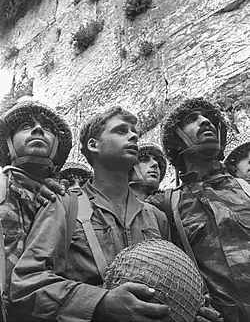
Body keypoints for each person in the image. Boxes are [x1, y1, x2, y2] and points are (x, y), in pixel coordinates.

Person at [10, 106, 220, 322]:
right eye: (121, 131)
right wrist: (101, 303)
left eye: (134, 133)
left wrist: (195, 310)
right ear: (93, 145)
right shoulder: (63, 204)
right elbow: (27, 283)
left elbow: (179, 277)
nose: (133, 136)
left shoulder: (157, 217)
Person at [147, 97, 250, 322]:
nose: (205, 121)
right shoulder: (164, 206)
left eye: (209, 119)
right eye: (191, 120)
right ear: (177, 142)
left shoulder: (246, 186)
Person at [0, 100, 72, 320]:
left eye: (48, 129)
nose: (38, 129)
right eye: (25, 126)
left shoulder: (68, 201)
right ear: (9, 142)